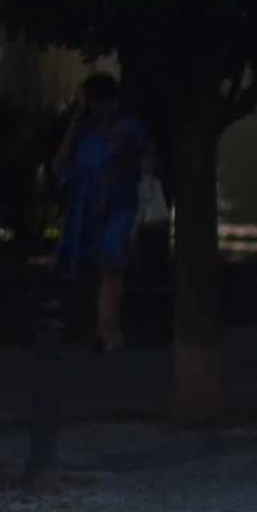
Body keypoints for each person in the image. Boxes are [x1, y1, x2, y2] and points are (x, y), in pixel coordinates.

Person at [52, 73, 157, 354]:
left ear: (114, 100)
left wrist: (128, 165)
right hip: (87, 203)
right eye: (92, 98)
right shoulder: (83, 129)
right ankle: (114, 334)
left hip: (120, 201)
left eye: (102, 98)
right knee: (99, 266)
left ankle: (102, 329)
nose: (97, 104)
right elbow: (61, 165)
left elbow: (149, 161)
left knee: (112, 259)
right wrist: (72, 129)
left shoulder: (129, 128)